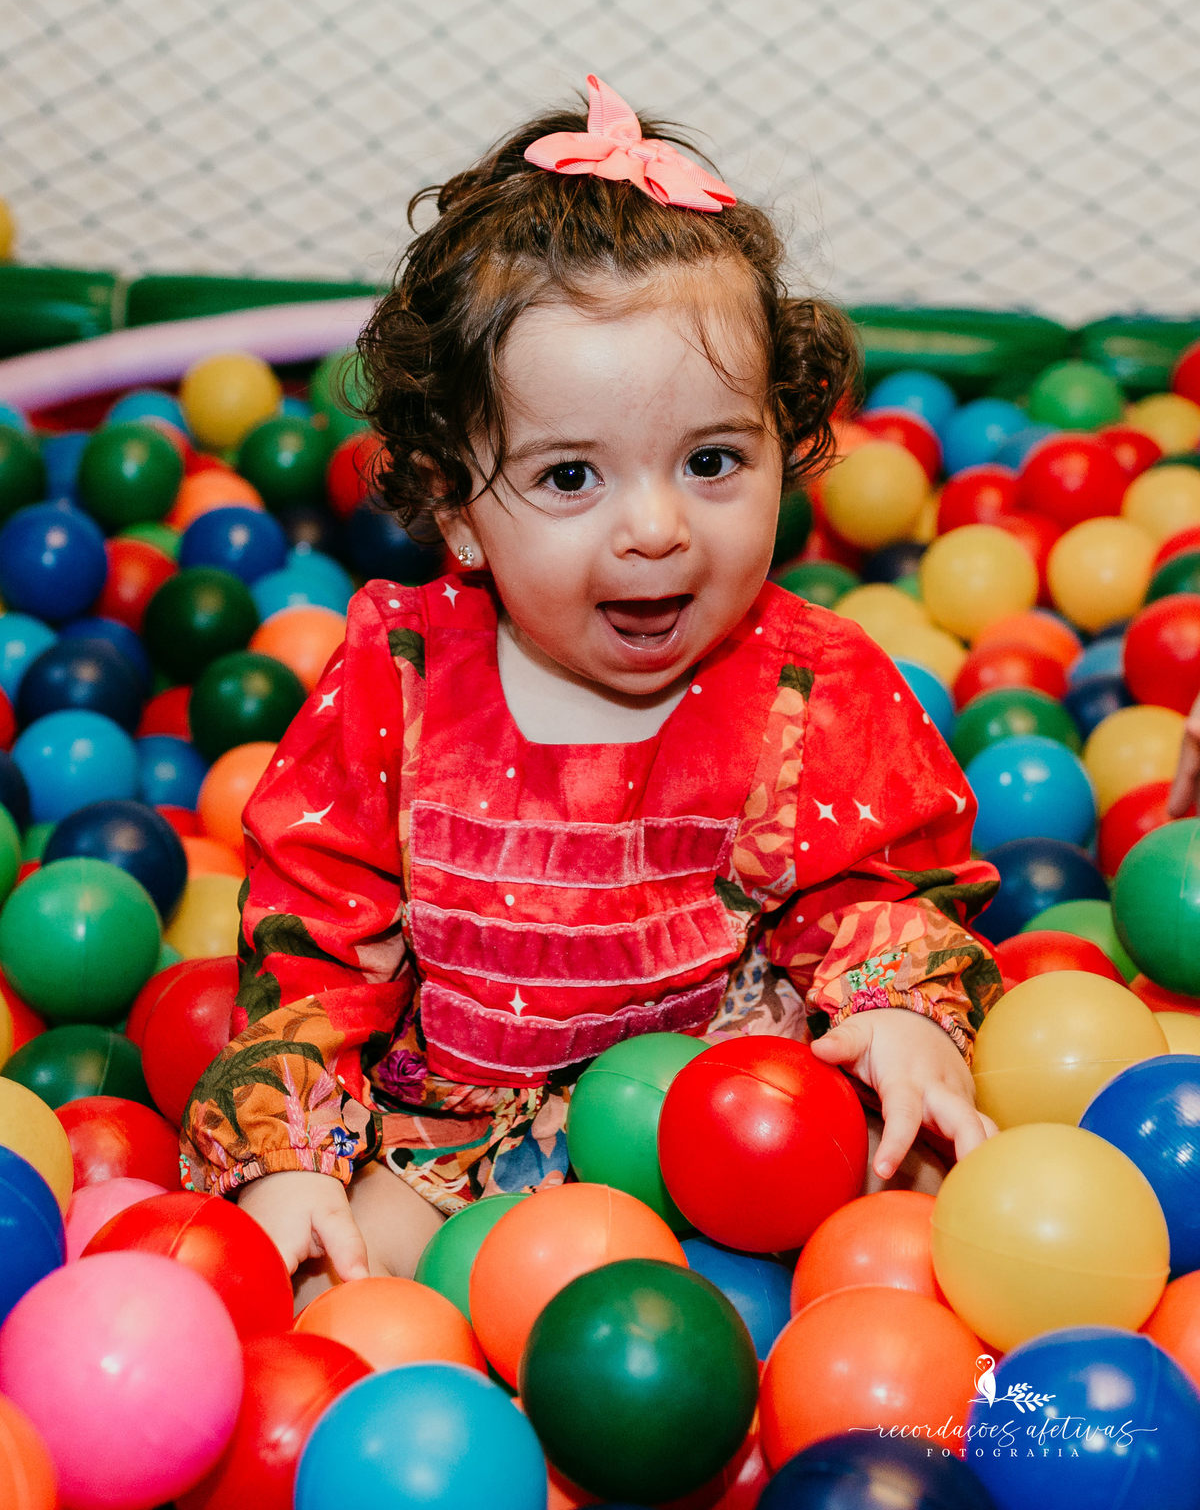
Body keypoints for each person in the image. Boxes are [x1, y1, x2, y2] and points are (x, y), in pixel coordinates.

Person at [181, 75, 1003, 1298]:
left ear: (784, 446)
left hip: (740, 1127)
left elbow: (883, 885)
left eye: (712, 460)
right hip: (464, 1143)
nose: (657, 529)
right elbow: (318, 943)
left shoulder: (810, 683)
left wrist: (902, 1019)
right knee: (335, 1288)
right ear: (458, 508)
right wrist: (287, 1159)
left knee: (922, 1207)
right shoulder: (402, 682)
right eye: (572, 478)